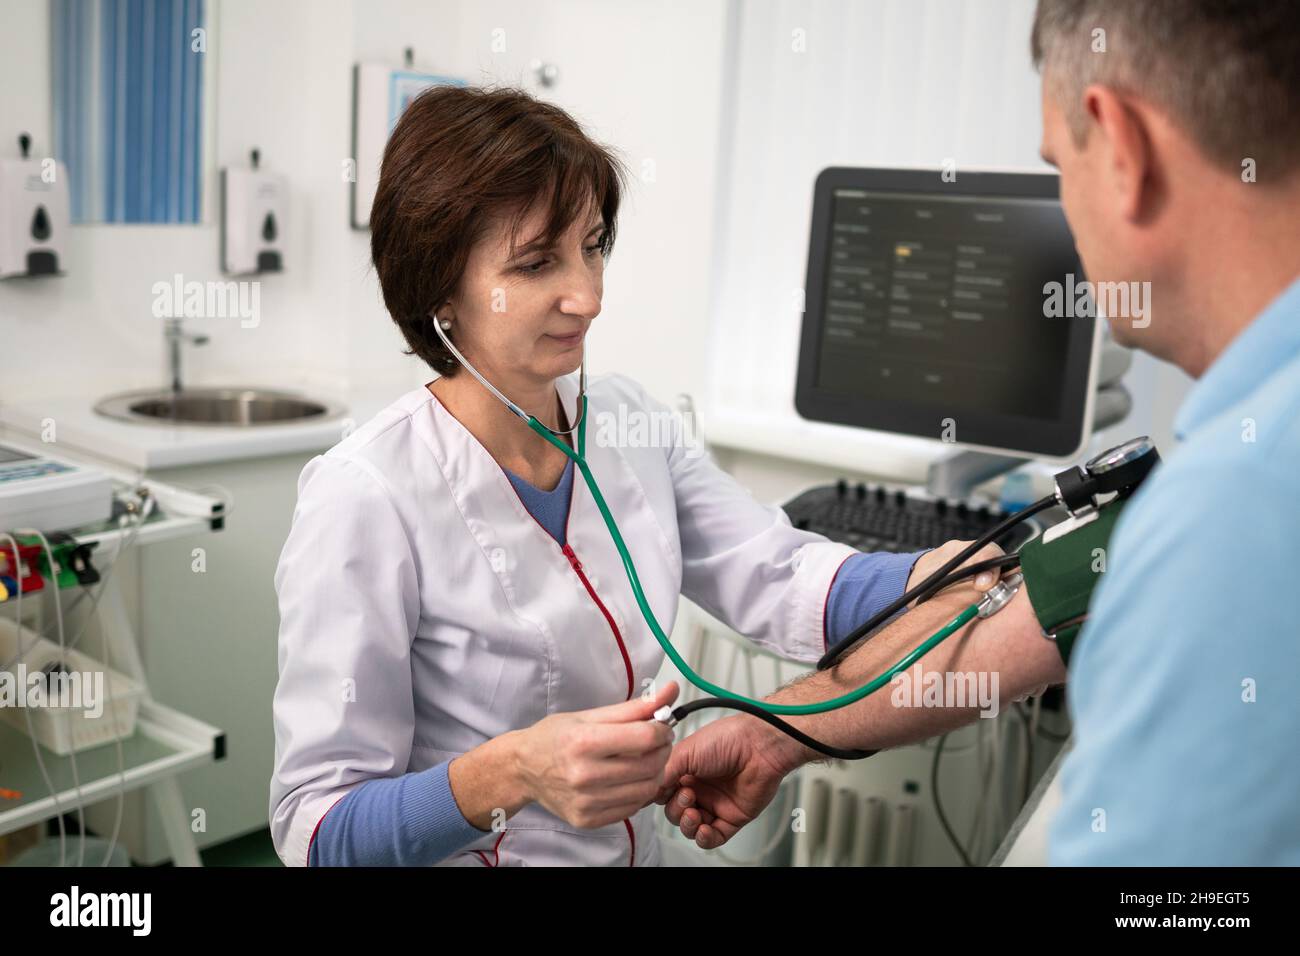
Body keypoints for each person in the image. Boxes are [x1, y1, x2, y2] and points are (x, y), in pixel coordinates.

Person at [268, 86, 1001, 867]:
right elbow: (317, 830)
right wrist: (511, 771)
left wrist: (943, 571)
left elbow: (783, 576)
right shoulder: (365, 494)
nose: (587, 296)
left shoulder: (625, 421)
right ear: (440, 288)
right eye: (536, 262)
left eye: (592, 246)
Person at [658, 0, 1300, 866]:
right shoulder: (1227, 477)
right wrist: (779, 734)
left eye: (1057, 166)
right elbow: (1043, 602)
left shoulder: (1236, 512)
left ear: (1121, 148)